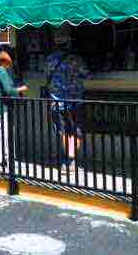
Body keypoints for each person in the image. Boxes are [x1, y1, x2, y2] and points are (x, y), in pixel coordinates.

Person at [44, 24, 90, 175]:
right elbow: (87, 74)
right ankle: (70, 161)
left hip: (56, 101)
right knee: (76, 131)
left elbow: (46, 76)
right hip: (74, 100)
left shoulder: (49, 59)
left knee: (63, 132)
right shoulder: (75, 59)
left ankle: (67, 161)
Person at [0, 49, 26, 170]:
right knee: (4, 134)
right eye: (8, 63)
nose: (9, 66)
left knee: (4, 133)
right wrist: (21, 89)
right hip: (4, 107)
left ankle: (4, 159)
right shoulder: (1, 72)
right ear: (5, 62)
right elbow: (8, 90)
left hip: (2, 107)